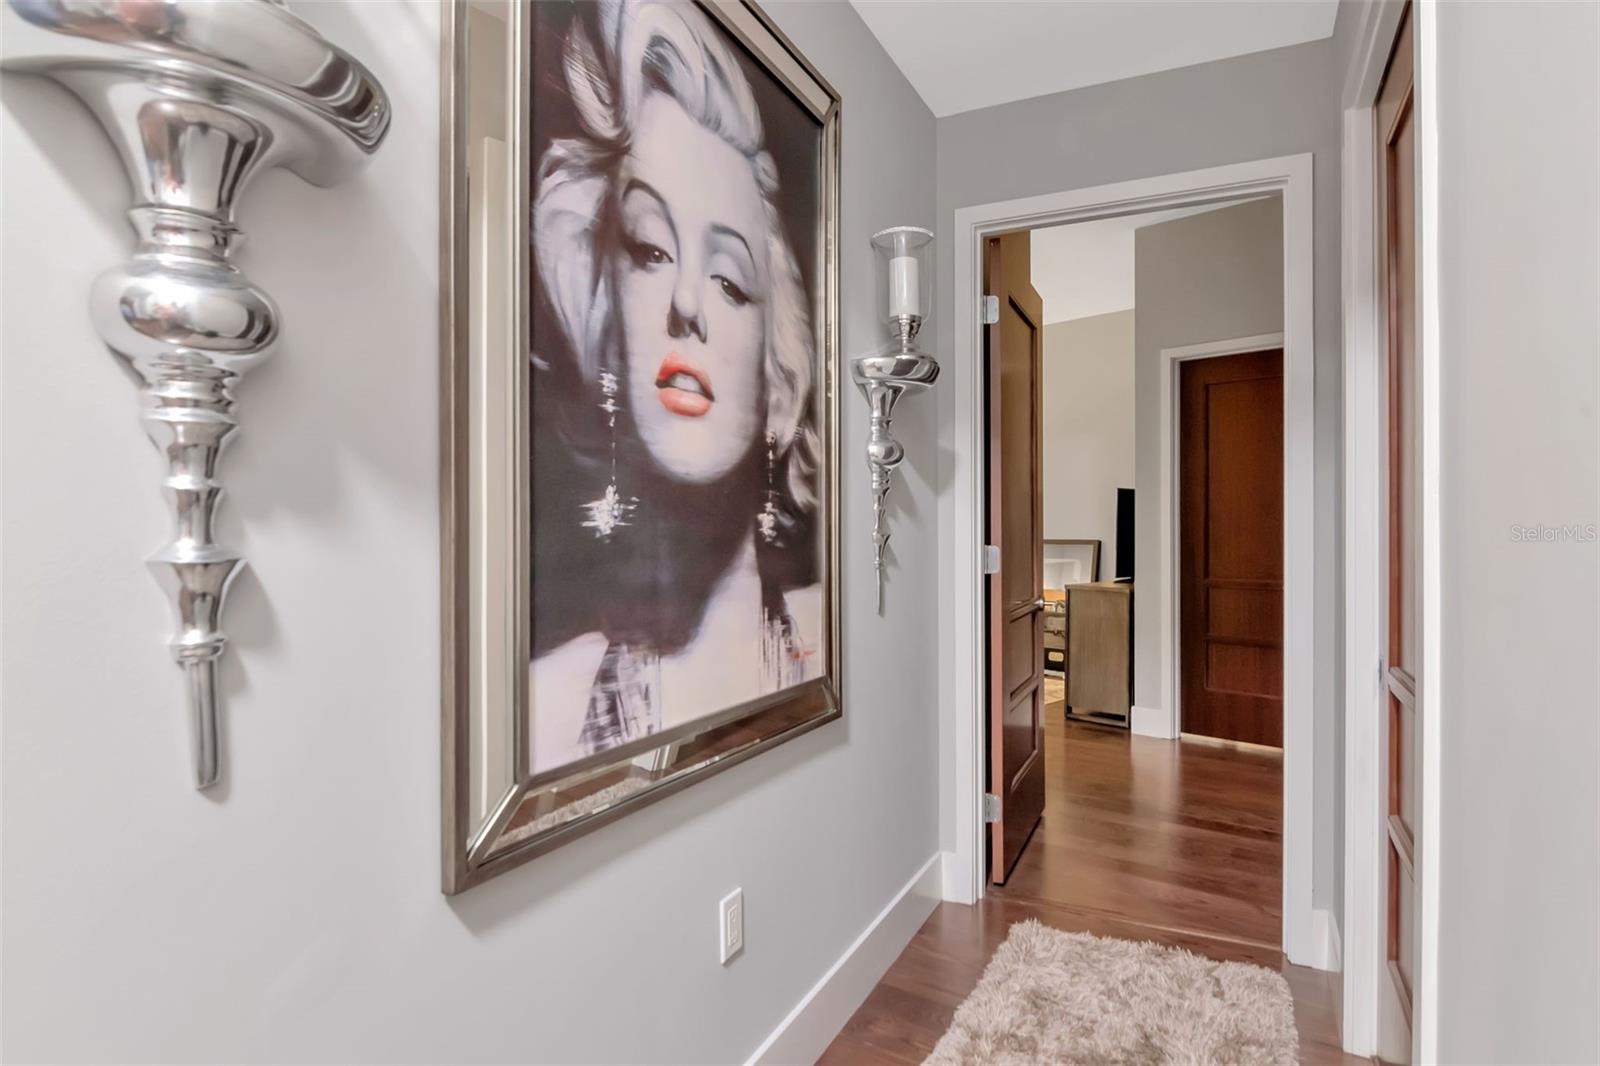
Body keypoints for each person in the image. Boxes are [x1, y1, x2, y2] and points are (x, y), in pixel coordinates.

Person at [528, 0, 822, 774]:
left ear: (779, 381)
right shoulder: (543, 707)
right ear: (606, 320)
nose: (686, 302)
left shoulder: (826, 636)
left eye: (730, 280)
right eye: (651, 250)